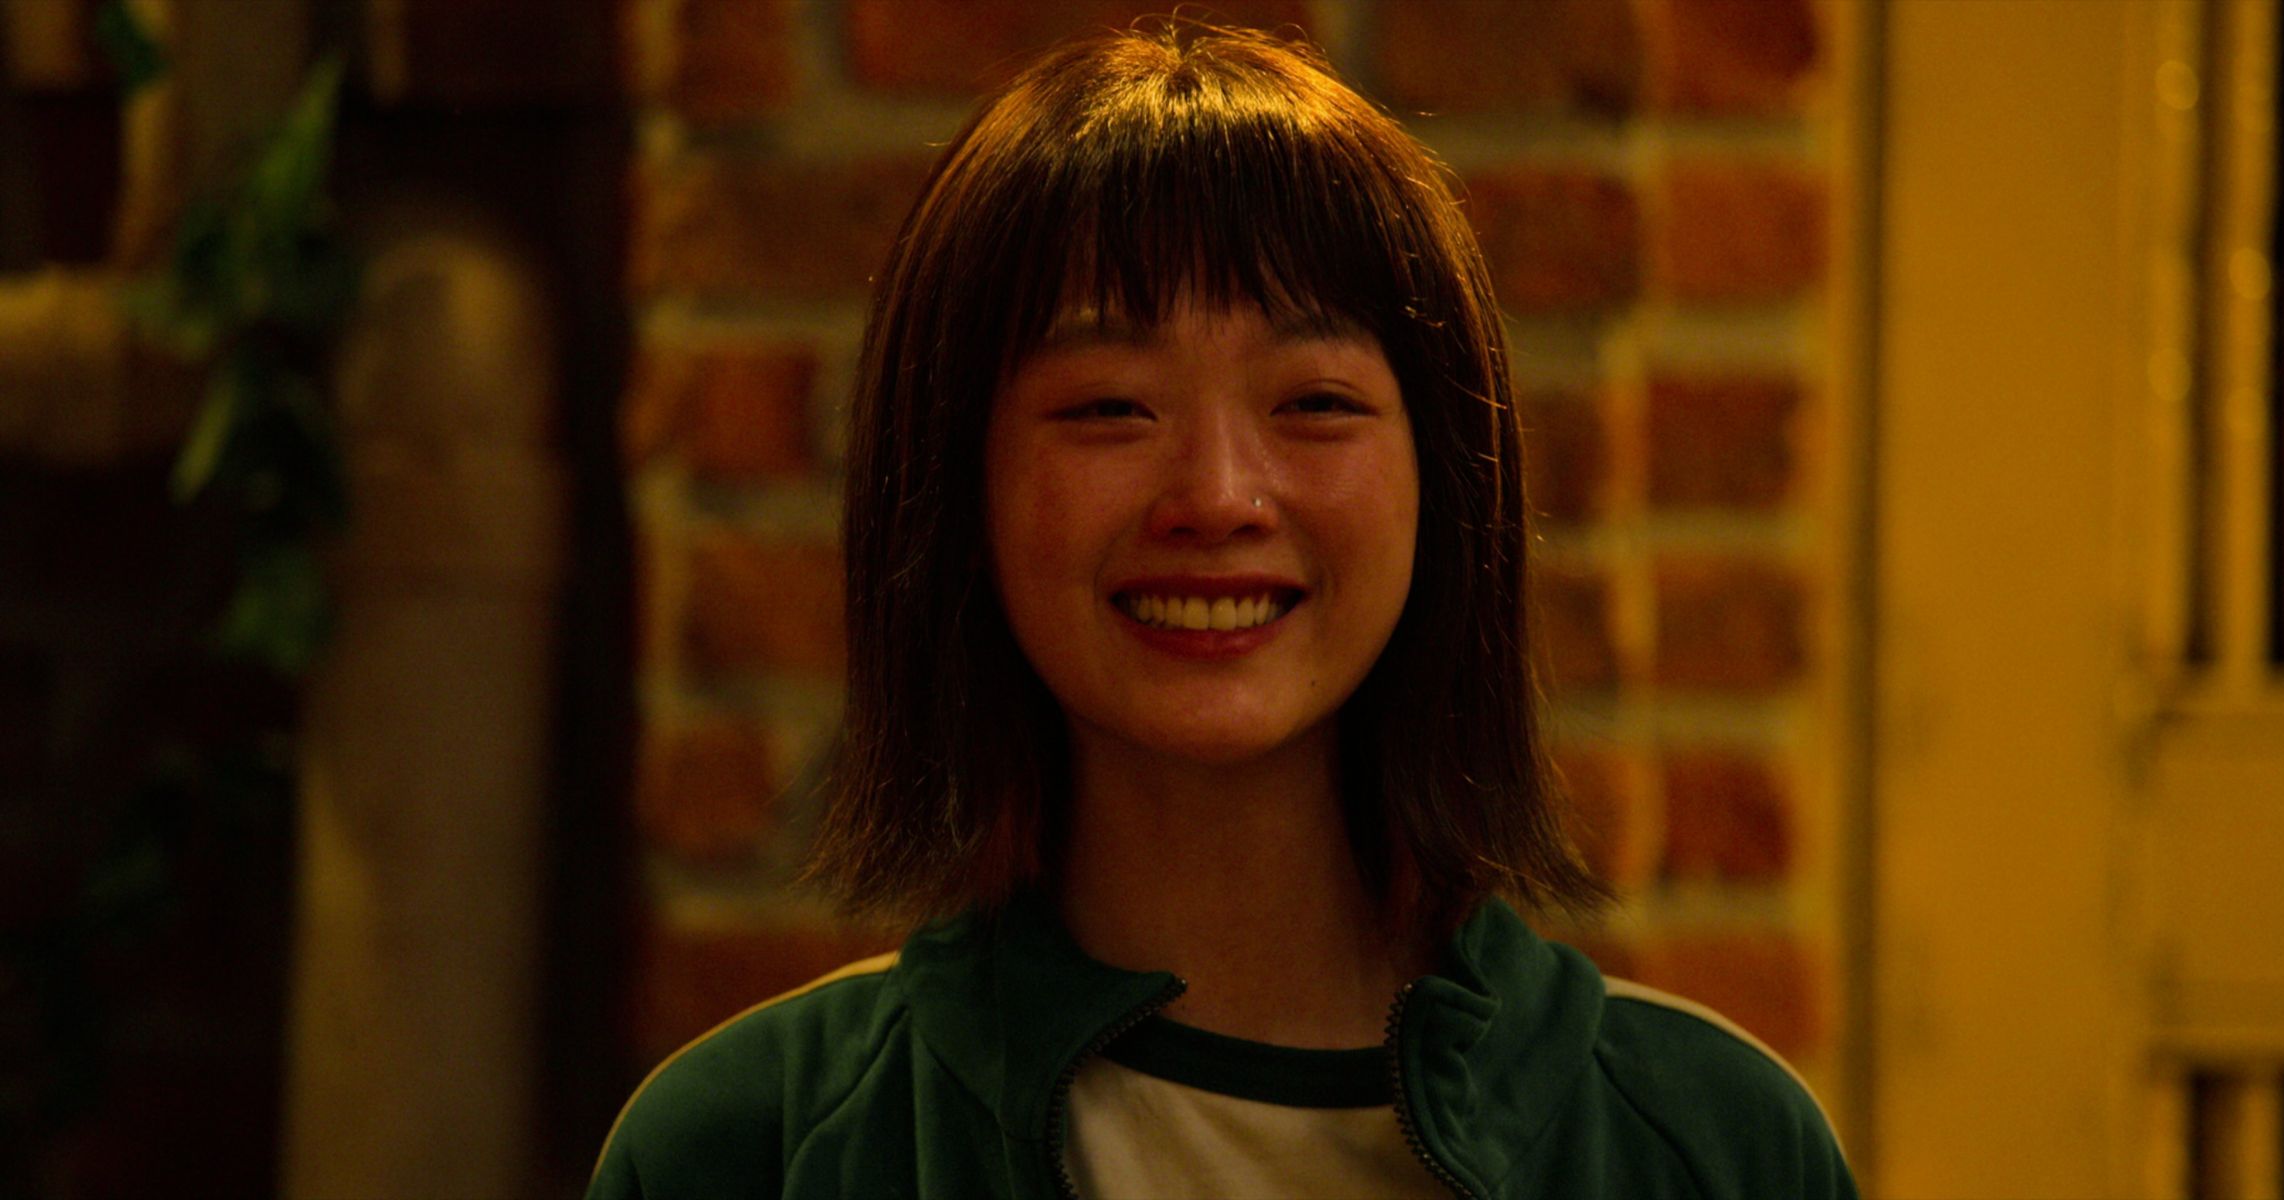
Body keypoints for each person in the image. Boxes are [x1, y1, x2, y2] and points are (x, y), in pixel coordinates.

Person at [590, 21, 1856, 1200]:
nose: (1216, 496)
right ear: (955, 484)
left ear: (1447, 483)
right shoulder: (749, 1149)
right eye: (1108, 407)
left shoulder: (1710, 1145)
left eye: (1314, 402)